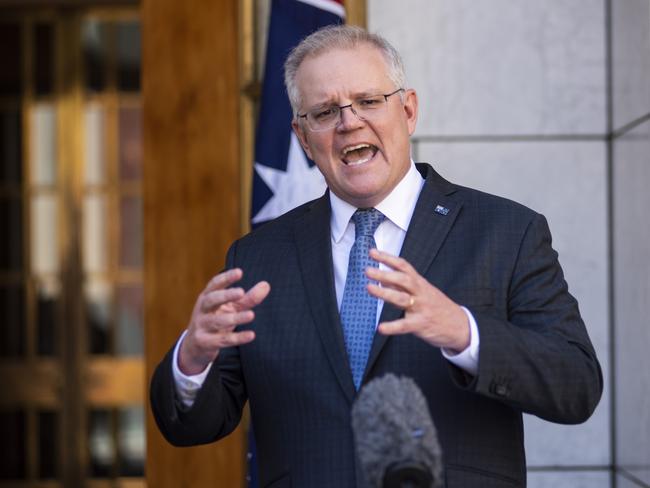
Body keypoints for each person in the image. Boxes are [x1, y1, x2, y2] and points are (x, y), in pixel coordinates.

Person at [150, 25, 602, 488]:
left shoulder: (506, 231)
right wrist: (193, 359)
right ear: (303, 138)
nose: (348, 123)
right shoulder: (258, 255)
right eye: (324, 111)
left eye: (368, 101)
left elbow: (576, 385)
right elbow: (193, 425)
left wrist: (463, 331)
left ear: (407, 111)